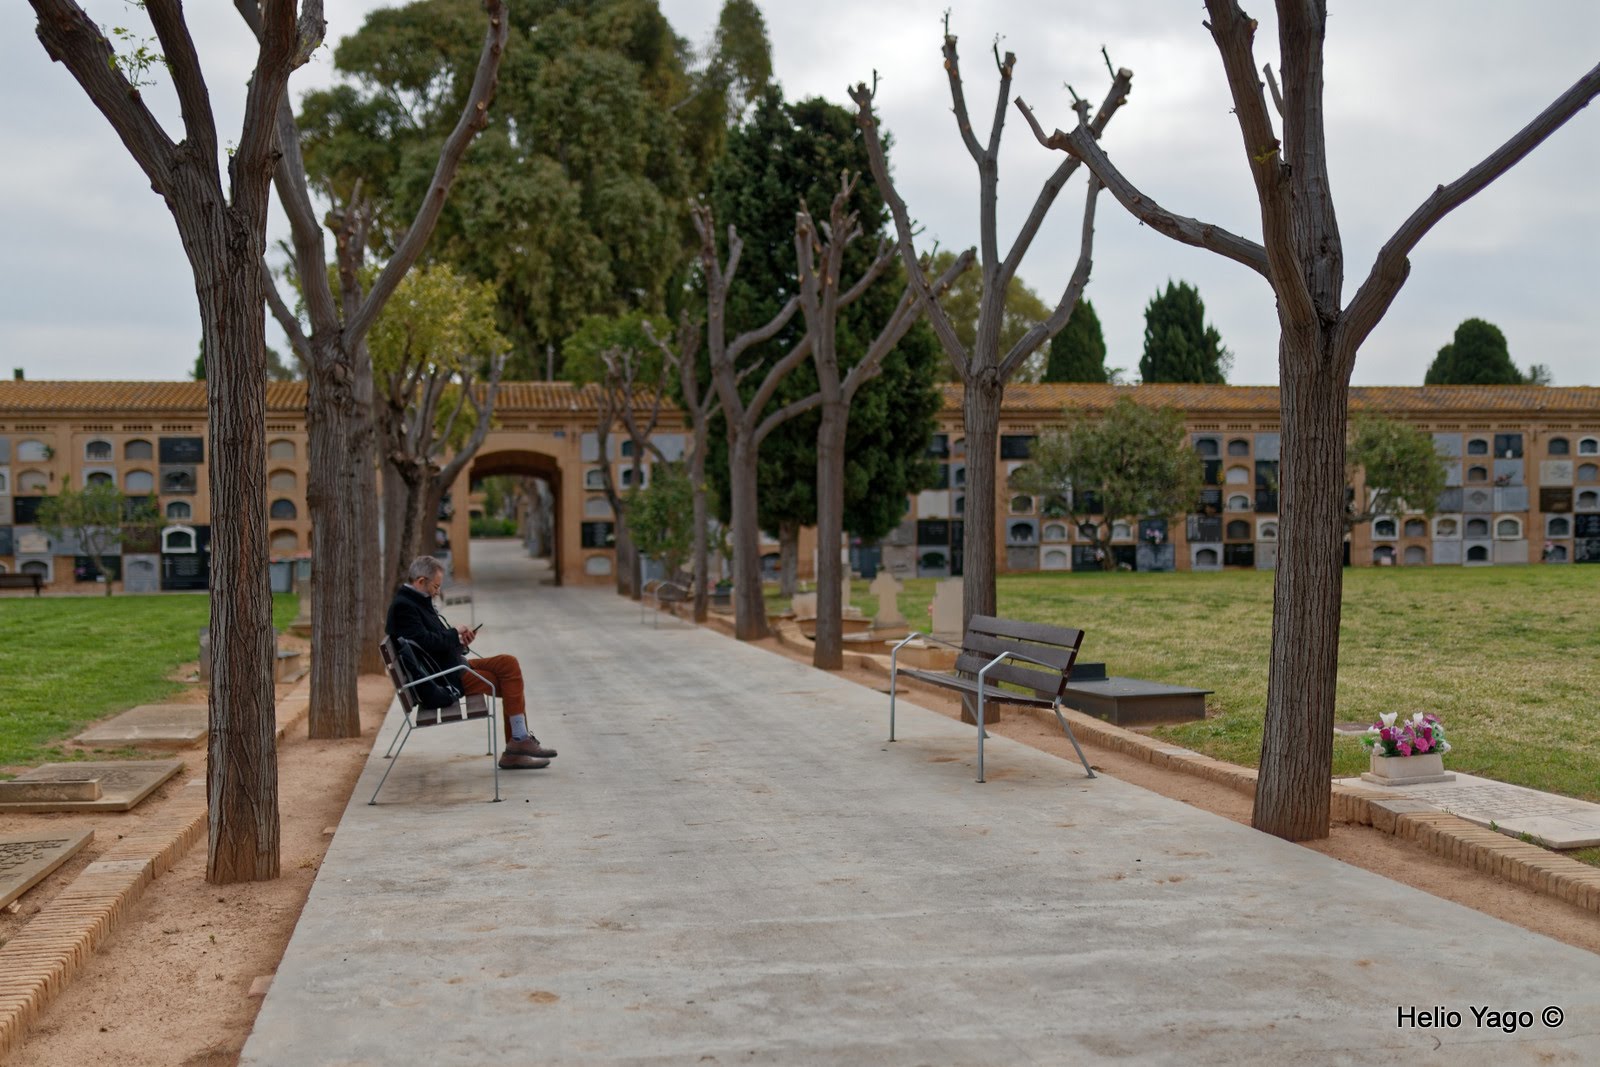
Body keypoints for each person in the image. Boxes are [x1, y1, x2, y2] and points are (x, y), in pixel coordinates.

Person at [387, 555, 558, 770]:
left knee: (508, 663)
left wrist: (460, 642)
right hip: (444, 678)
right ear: (421, 581)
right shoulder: (405, 607)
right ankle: (517, 745)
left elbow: (431, 643)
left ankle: (518, 743)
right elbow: (426, 642)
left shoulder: (415, 601)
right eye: (435, 586)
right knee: (508, 682)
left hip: (451, 665)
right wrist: (453, 632)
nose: (437, 591)